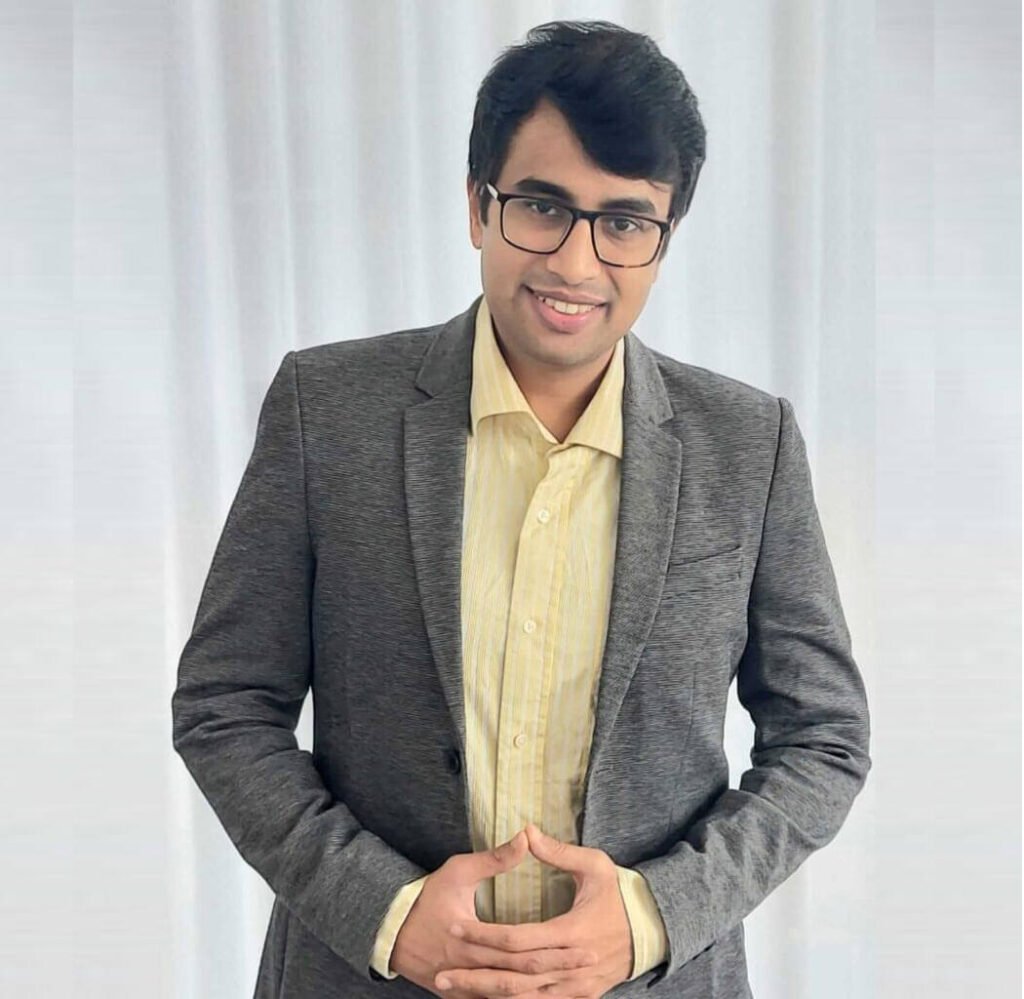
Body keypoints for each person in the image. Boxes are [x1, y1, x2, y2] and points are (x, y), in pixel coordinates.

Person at [171, 19, 871, 999]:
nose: (577, 265)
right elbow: (224, 706)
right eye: (542, 207)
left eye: (624, 222)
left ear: (664, 238)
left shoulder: (747, 445)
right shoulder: (326, 411)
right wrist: (386, 912)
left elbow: (823, 740)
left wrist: (652, 916)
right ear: (477, 205)